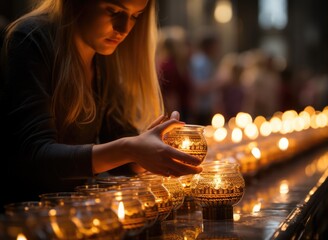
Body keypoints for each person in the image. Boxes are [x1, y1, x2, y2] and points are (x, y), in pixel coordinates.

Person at [0, 0, 202, 210]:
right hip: (24, 219)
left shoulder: (103, 56)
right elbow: (34, 157)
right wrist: (129, 148)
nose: (124, 29)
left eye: (135, 16)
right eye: (113, 11)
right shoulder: (31, 39)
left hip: (73, 214)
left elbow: (112, 139)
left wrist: (142, 156)